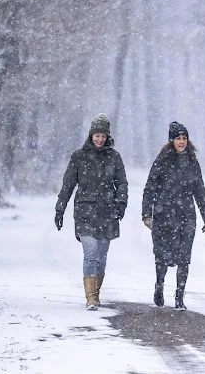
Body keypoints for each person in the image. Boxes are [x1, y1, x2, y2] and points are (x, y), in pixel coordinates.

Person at [54, 113, 128, 310]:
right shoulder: (79, 156)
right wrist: (60, 208)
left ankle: (96, 292)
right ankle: (91, 298)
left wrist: (121, 203)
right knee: (91, 253)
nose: (100, 139)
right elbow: (68, 184)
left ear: (107, 136)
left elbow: (121, 182)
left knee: (102, 256)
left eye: (103, 135)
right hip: (85, 211)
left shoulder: (114, 157)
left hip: (107, 212)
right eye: (97, 135)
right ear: (91, 135)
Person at [142, 121, 205, 311]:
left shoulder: (192, 162)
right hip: (164, 215)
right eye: (178, 138)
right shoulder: (162, 161)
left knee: (184, 257)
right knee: (162, 256)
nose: (182, 142)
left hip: (186, 215)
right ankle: (159, 285)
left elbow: (200, 190)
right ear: (171, 141)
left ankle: (180, 296)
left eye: (184, 138)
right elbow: (150, 188)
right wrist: (147, 213)